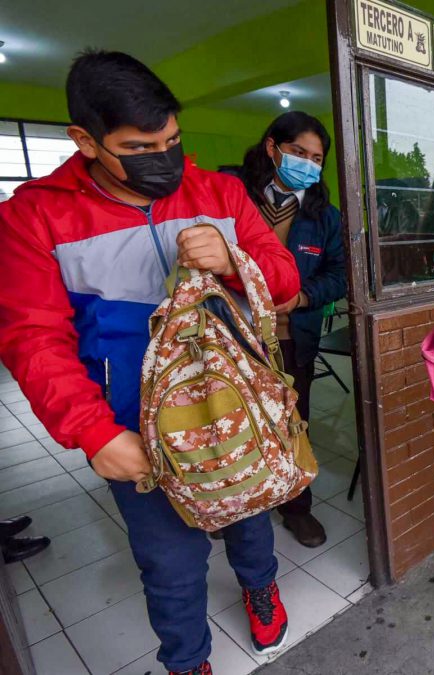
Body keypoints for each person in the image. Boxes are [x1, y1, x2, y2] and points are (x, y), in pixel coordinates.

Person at [0, 51, 301, 675]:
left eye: (172, 140)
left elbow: (286, 284)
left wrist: (230, 259)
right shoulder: (35, 215)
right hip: (134, 424)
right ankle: (187, 660)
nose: (164, 157)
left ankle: (260, 586)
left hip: (233, 405)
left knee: (249, 514)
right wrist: (93, 431)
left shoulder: (218, 192)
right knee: (168, 559)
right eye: (140, 146)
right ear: (85, 140)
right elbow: (32, 337)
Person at [238, 111, 347, 548]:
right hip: (236, 338)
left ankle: (296, 507)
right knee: (237, 423)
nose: (307, 163)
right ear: (272, 148)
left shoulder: (324, 215)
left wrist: (301, 297)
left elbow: (338, 274)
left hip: (290, 339)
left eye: (316, 158)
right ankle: (238, 505)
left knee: (293, 424)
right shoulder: (235, 200)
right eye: (298, 152)